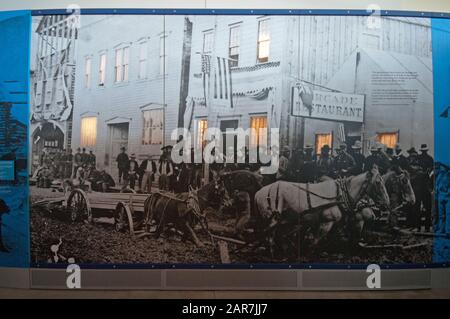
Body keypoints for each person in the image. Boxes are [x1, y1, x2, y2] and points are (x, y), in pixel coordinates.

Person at [436, 164, 450, 234]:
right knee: (441, 215)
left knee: (448, 214)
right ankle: (441, 229)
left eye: (442, 167)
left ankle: (448, 230)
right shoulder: (439, 175)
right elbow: (437, 185)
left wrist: (448, 191)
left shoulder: (449, 175)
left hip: (448, 197)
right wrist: (437, 190)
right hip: (440, 197)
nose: (441, 168)